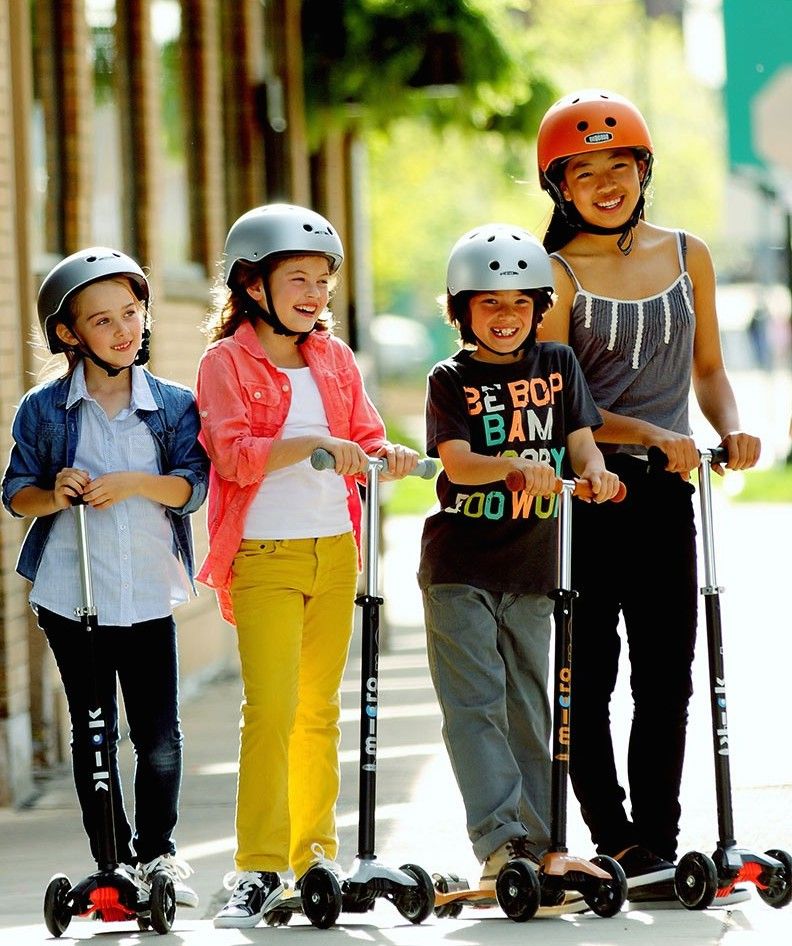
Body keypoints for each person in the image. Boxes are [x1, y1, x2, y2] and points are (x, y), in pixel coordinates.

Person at [535, 88, 761, 900]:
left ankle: (658, 845)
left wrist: (730, 427)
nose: (605, 182)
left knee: (667, 677)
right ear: (558, 185)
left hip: (667, 498)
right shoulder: (553, 273)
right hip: (588, 499)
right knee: (586, 679)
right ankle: (614, 838)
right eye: (583, 170)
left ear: (643, 169)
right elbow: (561, 401)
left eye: (619, 165)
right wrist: (650, 436)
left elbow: (708, 370)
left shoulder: (687, 253)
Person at [195, 203, 419, 929]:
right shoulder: (226, 362)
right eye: (299, 279)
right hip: (263, 556)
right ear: (253, 285)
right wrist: (311, 441)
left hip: (333, 549)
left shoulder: (335, 358)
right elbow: (231, 453)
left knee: (319, 713)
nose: (315, 294)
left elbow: (366, 439)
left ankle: (311, 857)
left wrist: (391, 456)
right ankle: (256, 869)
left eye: (323, 280)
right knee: (270, 711)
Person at [1, 247, 208, 908]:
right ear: (70, 333)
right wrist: (55, 490)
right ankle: (112, 862)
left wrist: (136, 484)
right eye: (104, 320)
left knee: (158, 739)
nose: (125, 329)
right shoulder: (45, 409)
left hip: (146, 592)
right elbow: (16, 494)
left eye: (132, 312)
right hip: (72, 594)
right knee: (93, 731)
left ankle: (158, 856)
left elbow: (191, 489)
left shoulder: (173, 406)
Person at [417, 223, 620, 894]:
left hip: (537, 568)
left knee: (534, 708)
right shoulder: (450, 379)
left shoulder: (558, 364)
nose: (505, 317)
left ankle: (545, 843)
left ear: (538, 308)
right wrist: (512, 467)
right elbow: (459, 463)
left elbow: (582, 442)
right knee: (476, 705)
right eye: (488, 303)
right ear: (462, 311)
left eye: (518, 303)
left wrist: (597, 473)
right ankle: (502, 843)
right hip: (460, 570)